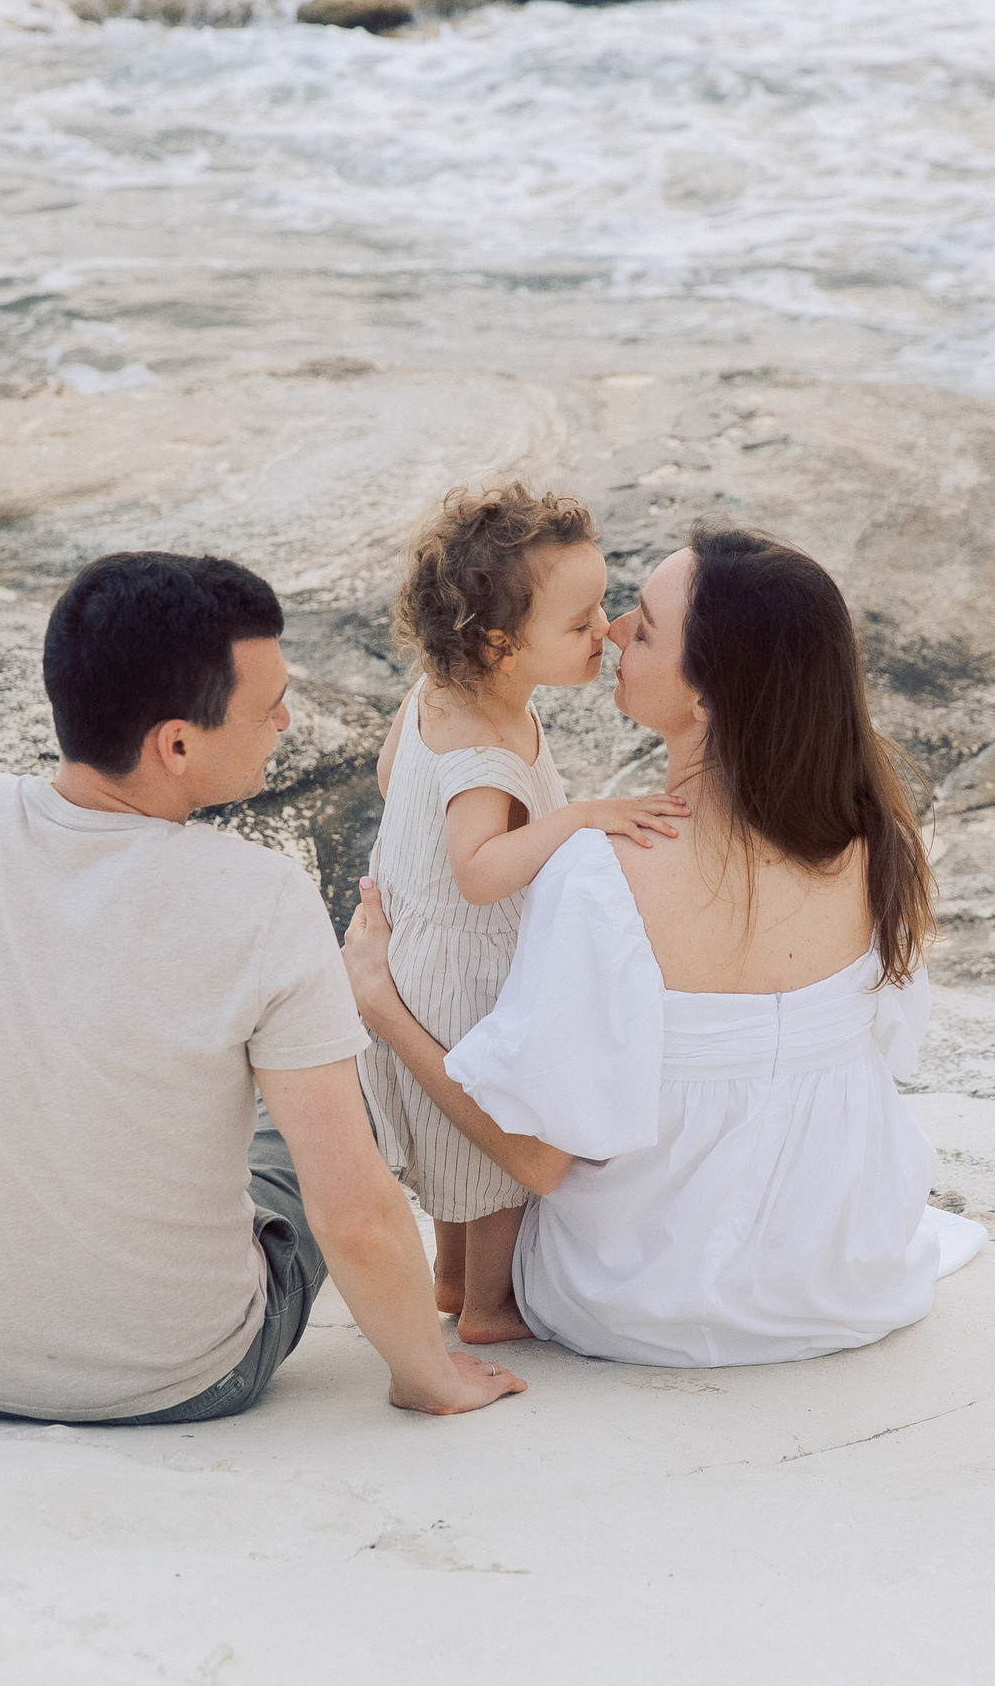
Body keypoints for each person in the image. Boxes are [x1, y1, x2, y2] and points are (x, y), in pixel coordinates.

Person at [0, 550, 524, 1422]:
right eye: (269, 706)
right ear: (175, 744)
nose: (287, 720)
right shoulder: (263, 897)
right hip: (191, 1374)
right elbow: (355, 1213)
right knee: (339, 1101)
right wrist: (429, 1379)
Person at [343, 524, 986, 1367]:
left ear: (708, 699)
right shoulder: (875, 842)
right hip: (843, 1277)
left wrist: (383, 1007)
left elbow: (534, 1161)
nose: (610, 631)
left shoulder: (603, 875)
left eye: (641, 627)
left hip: (637, 1297)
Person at [360, 484, 687, 1345]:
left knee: (451, 1139)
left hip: (422, 952)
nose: (606, 630)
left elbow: (394, 779)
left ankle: (448, 1273)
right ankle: (488, 1306)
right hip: (466, 963)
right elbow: (477, 871)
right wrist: (577, 815)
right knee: (492, 1142)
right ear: (504, 646)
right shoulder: (485, 753)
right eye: (581, 623)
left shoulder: (441, 689)